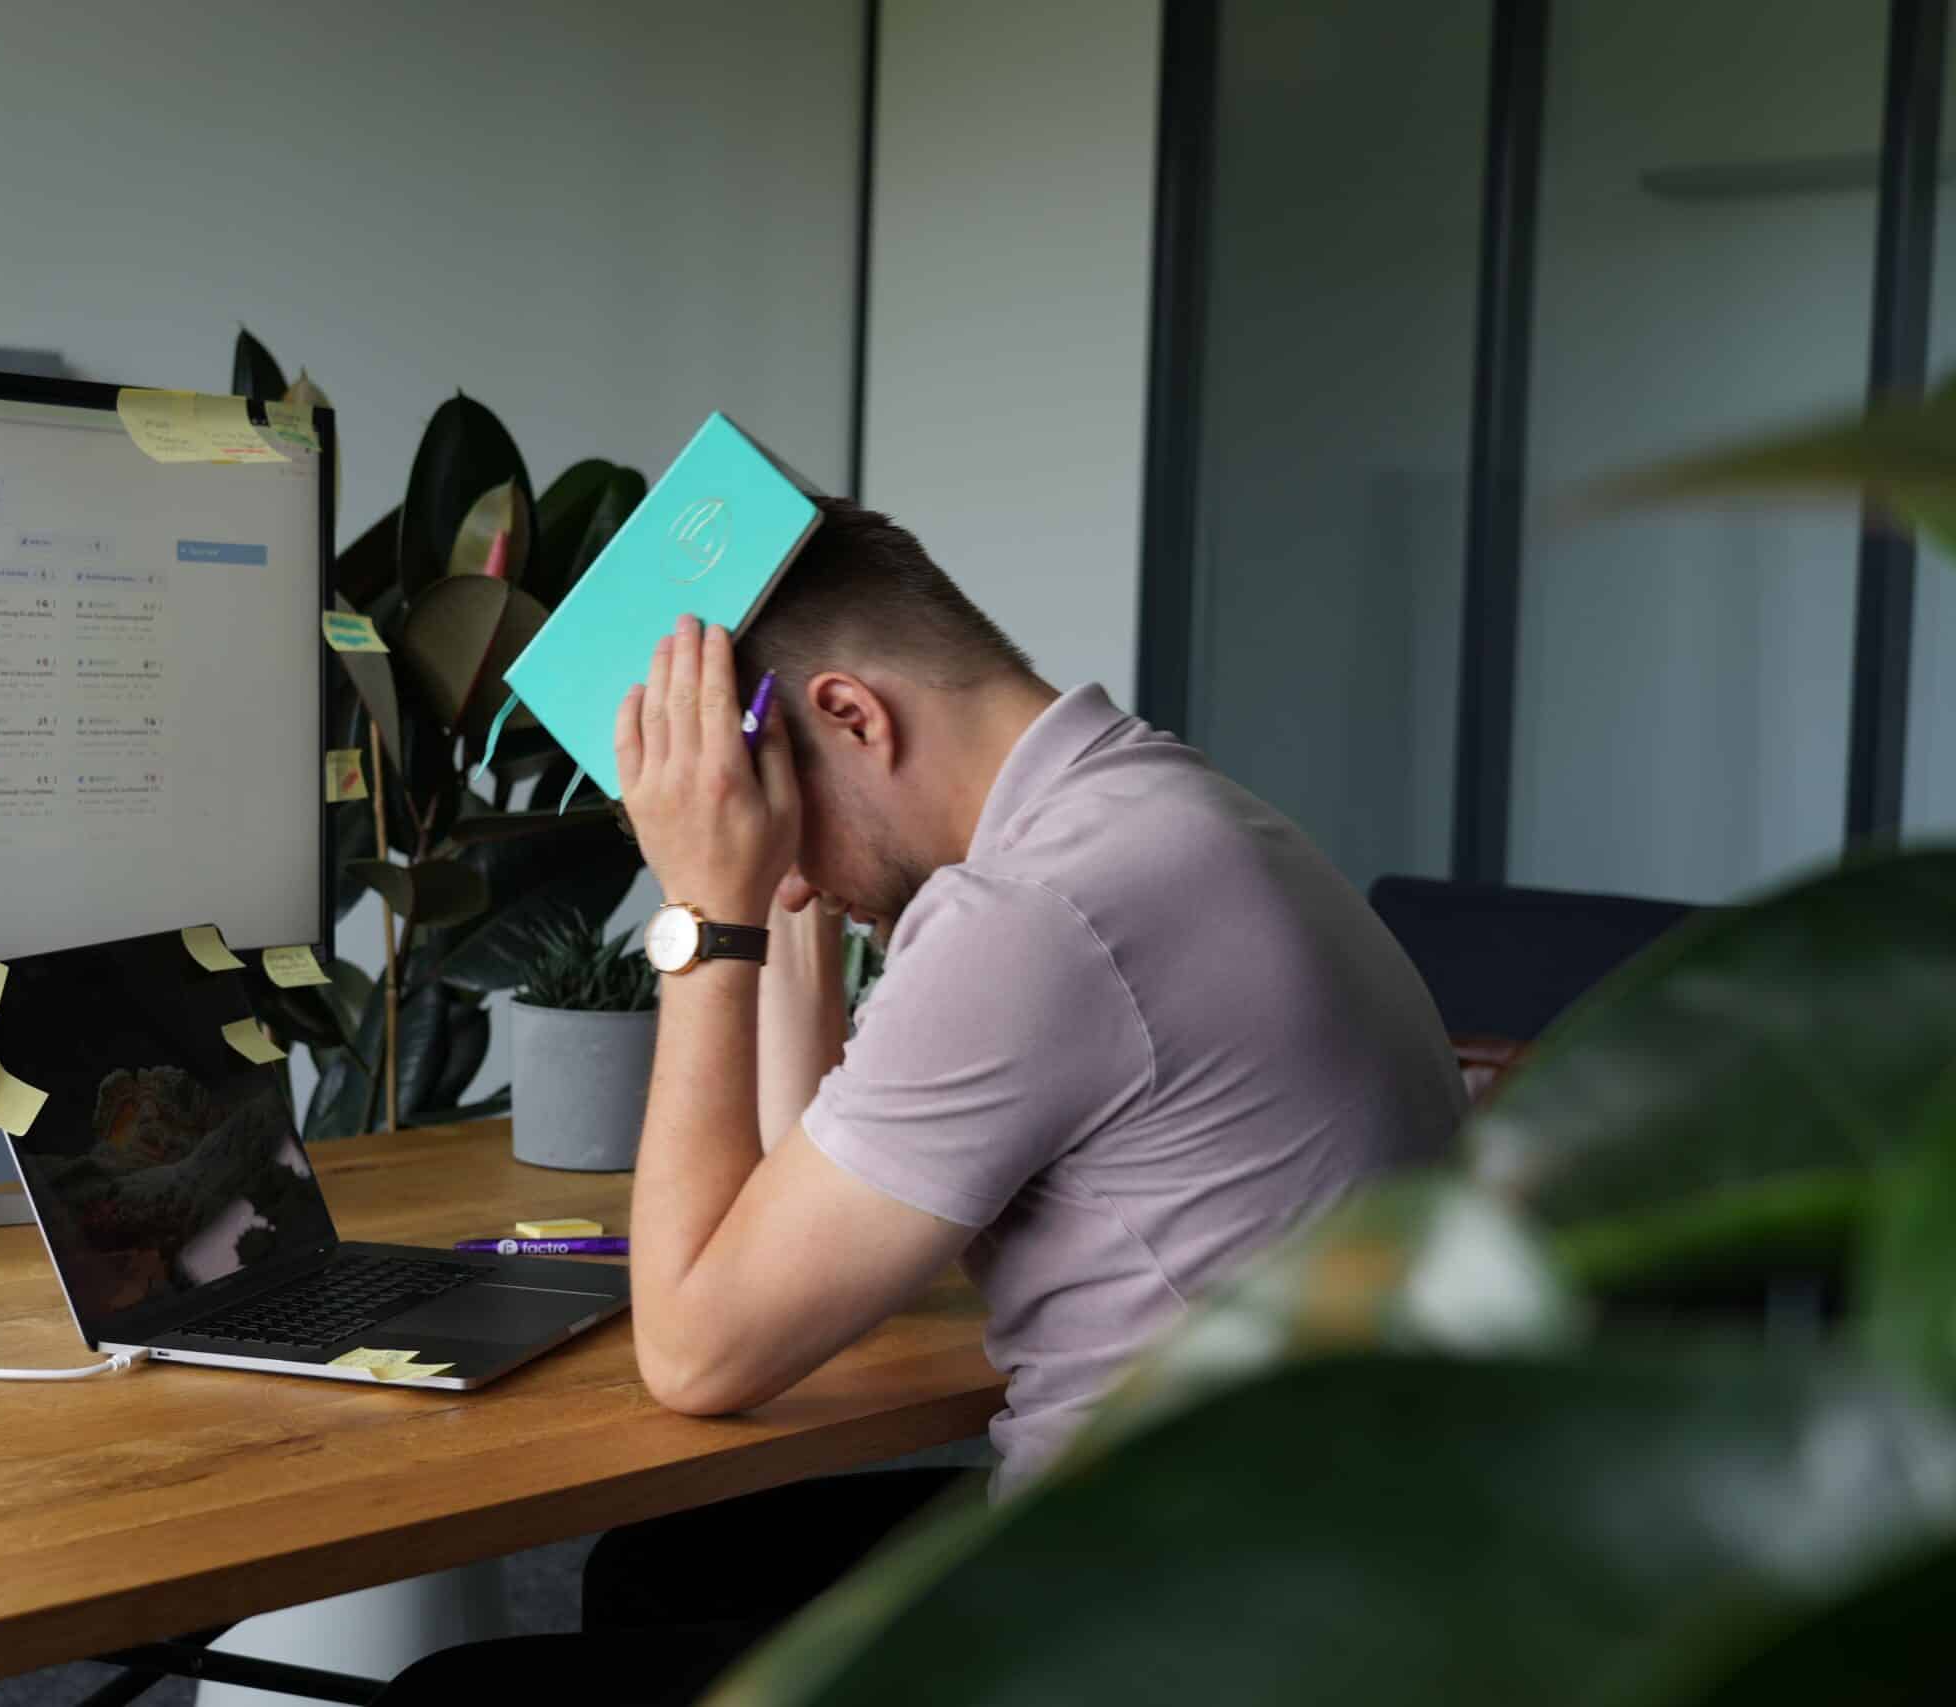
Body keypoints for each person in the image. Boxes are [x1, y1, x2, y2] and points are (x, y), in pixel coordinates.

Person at [378, 499, 1465, 1702]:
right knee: (667, 1568)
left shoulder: (1034, 918)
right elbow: (815, 1224)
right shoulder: (1153, 811)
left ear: (848, 713)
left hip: (1165, 1624)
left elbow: (698, 1353)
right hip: (1316, 1561)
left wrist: (706, 914)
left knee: (452, 1697)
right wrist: (781, 887)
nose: (783, 866)